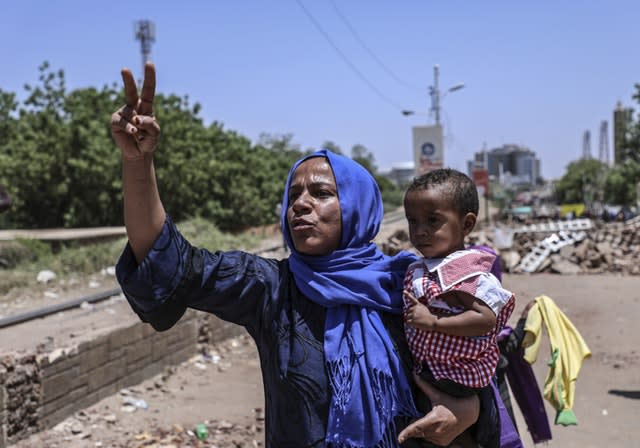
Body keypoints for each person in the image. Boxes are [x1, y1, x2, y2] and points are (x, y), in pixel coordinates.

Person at [111, 62, 483, 448]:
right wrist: (138, 164)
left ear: (358, 208)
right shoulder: (272, 289)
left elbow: (476, 358)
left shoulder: (412, 283)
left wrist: (469, 408)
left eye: (321, 194)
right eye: (293, 196)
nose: (301, 205)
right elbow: (169, 259)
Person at [402, 169, 516, 446]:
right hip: (436, 376)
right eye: (413, 221)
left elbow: (485, 318)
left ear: (466, 225)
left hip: (457, 382)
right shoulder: (425, 267)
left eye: (433, 221)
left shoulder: (464, 271)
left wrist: (433, 322)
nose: (420, 231)